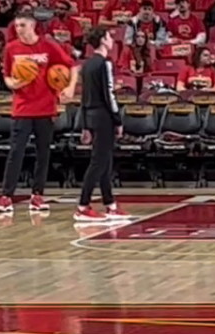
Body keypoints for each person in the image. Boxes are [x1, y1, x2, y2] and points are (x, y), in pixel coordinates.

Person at [0, 10, 78, 215]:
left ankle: (37, 195)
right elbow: (6, 76)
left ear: (32, 25)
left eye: (22, 25)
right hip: (22, 108)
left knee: (43, 153)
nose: (18, 29)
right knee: (16, 152)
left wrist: (70, 88)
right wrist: (14, 82)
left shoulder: (48, 45)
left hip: (45, 107)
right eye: (16, 25)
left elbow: (72, 66)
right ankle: (6, 196)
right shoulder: (11, 48)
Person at [76, 27, 130, 223]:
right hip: (103, 116)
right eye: (109, 36)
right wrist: (117, 119)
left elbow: (83, 97)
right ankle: (83, 205)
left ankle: (110, 205)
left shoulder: (87, 64)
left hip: (91, 115)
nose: (112, 40)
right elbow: (109, 94)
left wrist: (84, 124)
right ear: (102, 40)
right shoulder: (104, 64)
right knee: (98, 162)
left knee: (105, 161)